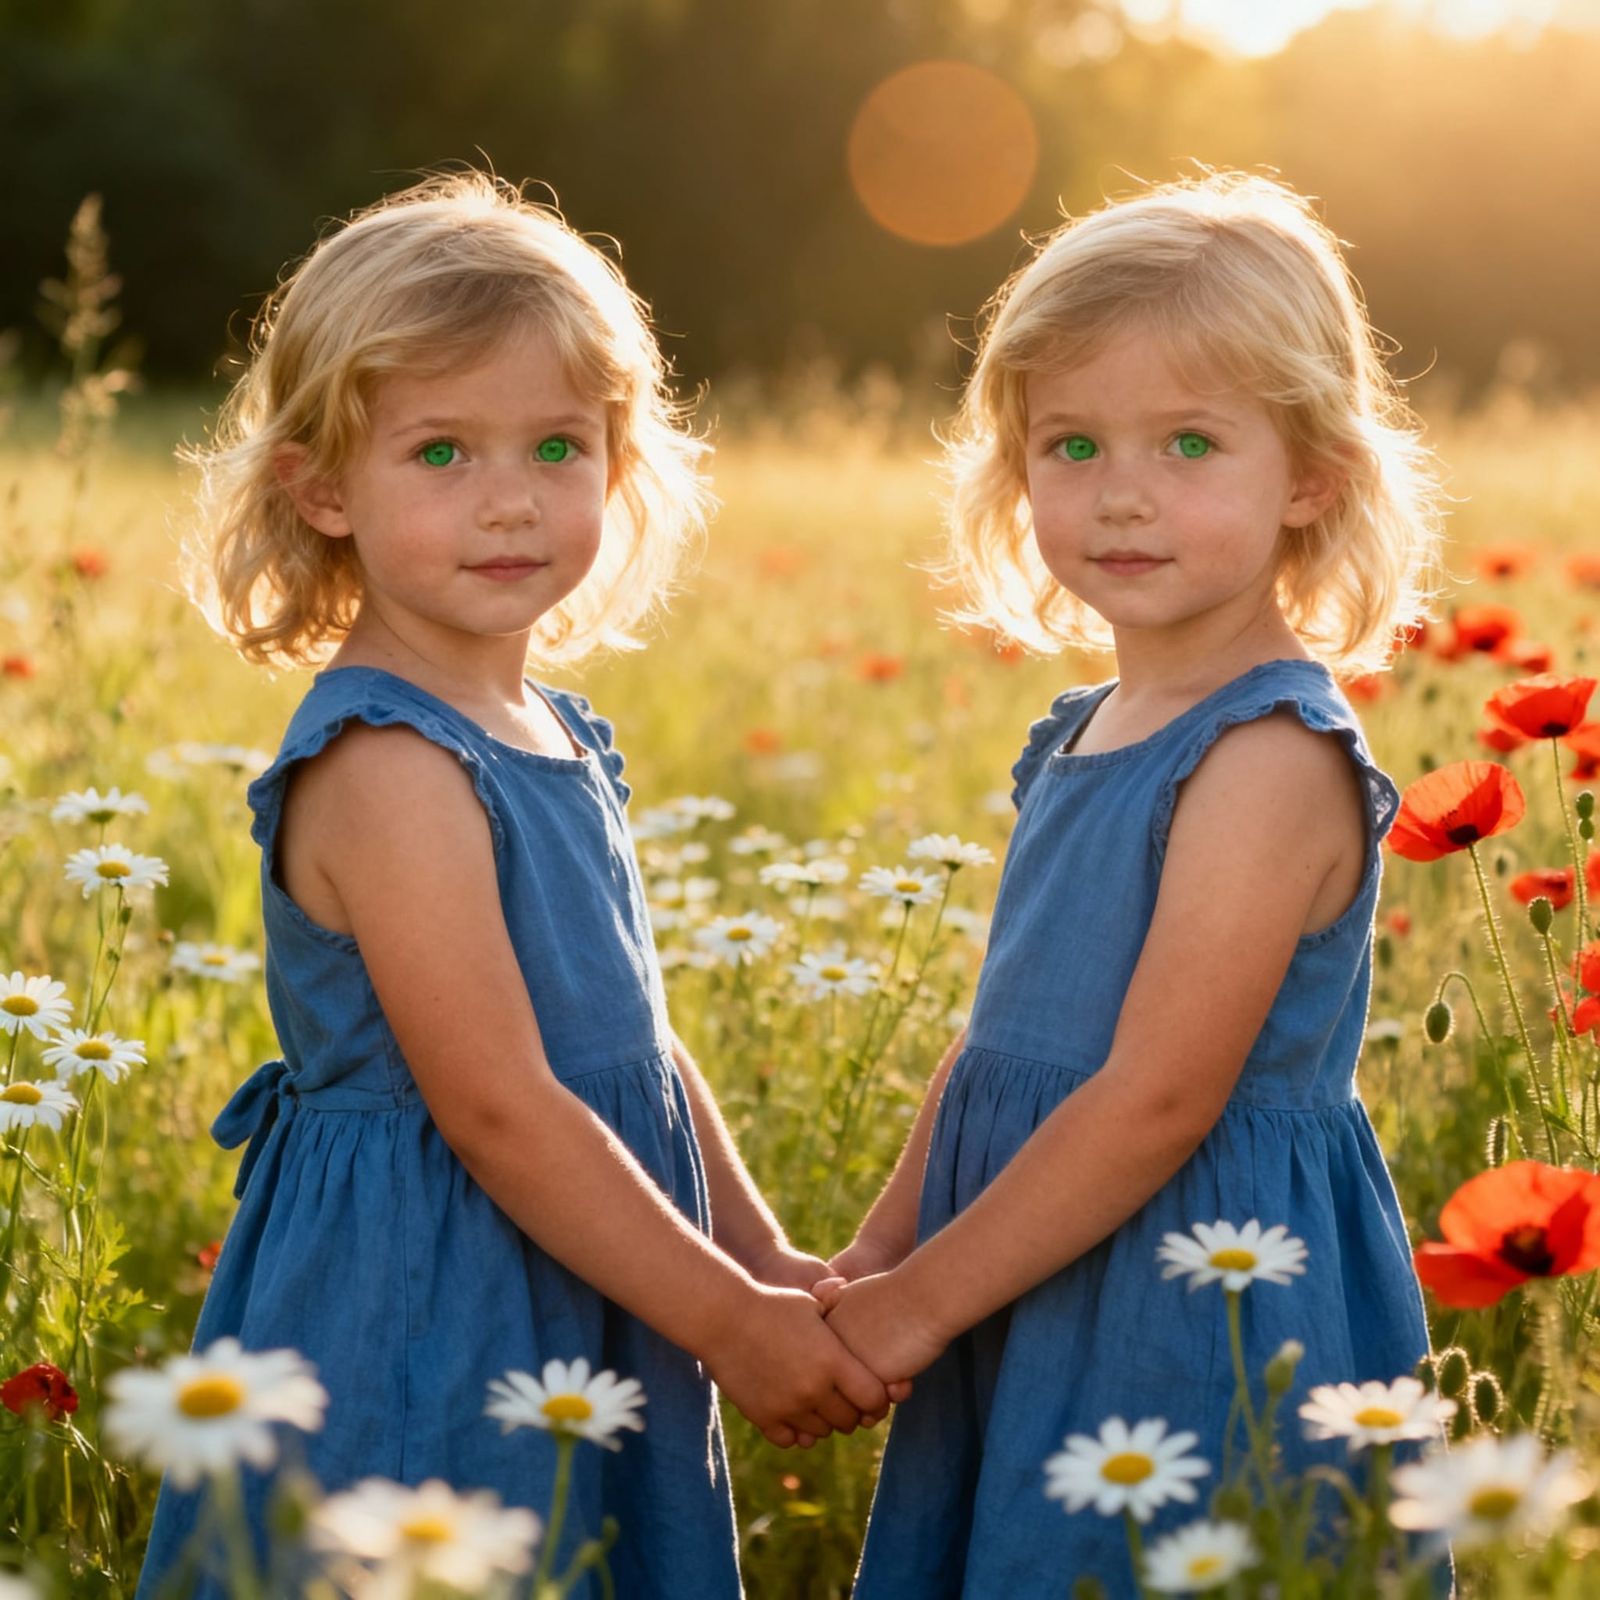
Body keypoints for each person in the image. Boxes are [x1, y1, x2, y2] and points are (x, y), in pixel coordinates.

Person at [138, 171, 892, 1599]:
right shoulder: (388, 763)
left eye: (558, 447)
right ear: (320, 486)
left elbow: (635, 1043)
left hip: (587, 1264)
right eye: (440, 453)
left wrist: (760, 1256)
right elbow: (495, 1104)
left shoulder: (551, 727)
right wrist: (724, 1323)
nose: (508, 502)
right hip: (431, 1291)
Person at [819, 171, 1444, 1597]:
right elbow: (1002, 1042)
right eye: (1073, 443)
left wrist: (915, 1313)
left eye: (1188, 443)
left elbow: (1159, 1096)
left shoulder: (1267, 754)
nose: (1121, 494)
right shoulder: (1086, 730)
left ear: (1312, 475)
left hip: (1191, 1289)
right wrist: (877, 1253)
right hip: (1029, 1259)